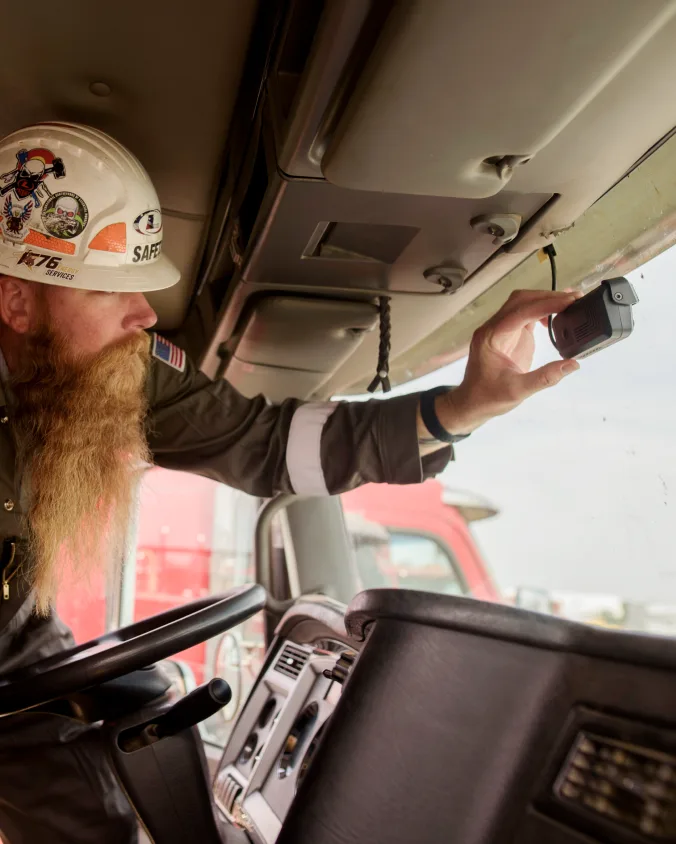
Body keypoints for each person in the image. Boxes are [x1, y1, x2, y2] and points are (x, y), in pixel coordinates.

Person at [0, 123, 580, 843]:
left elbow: (269, 444)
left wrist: (460, 408)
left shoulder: (111, 368)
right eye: (113, 289)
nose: (145, 314)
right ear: (18, 303)